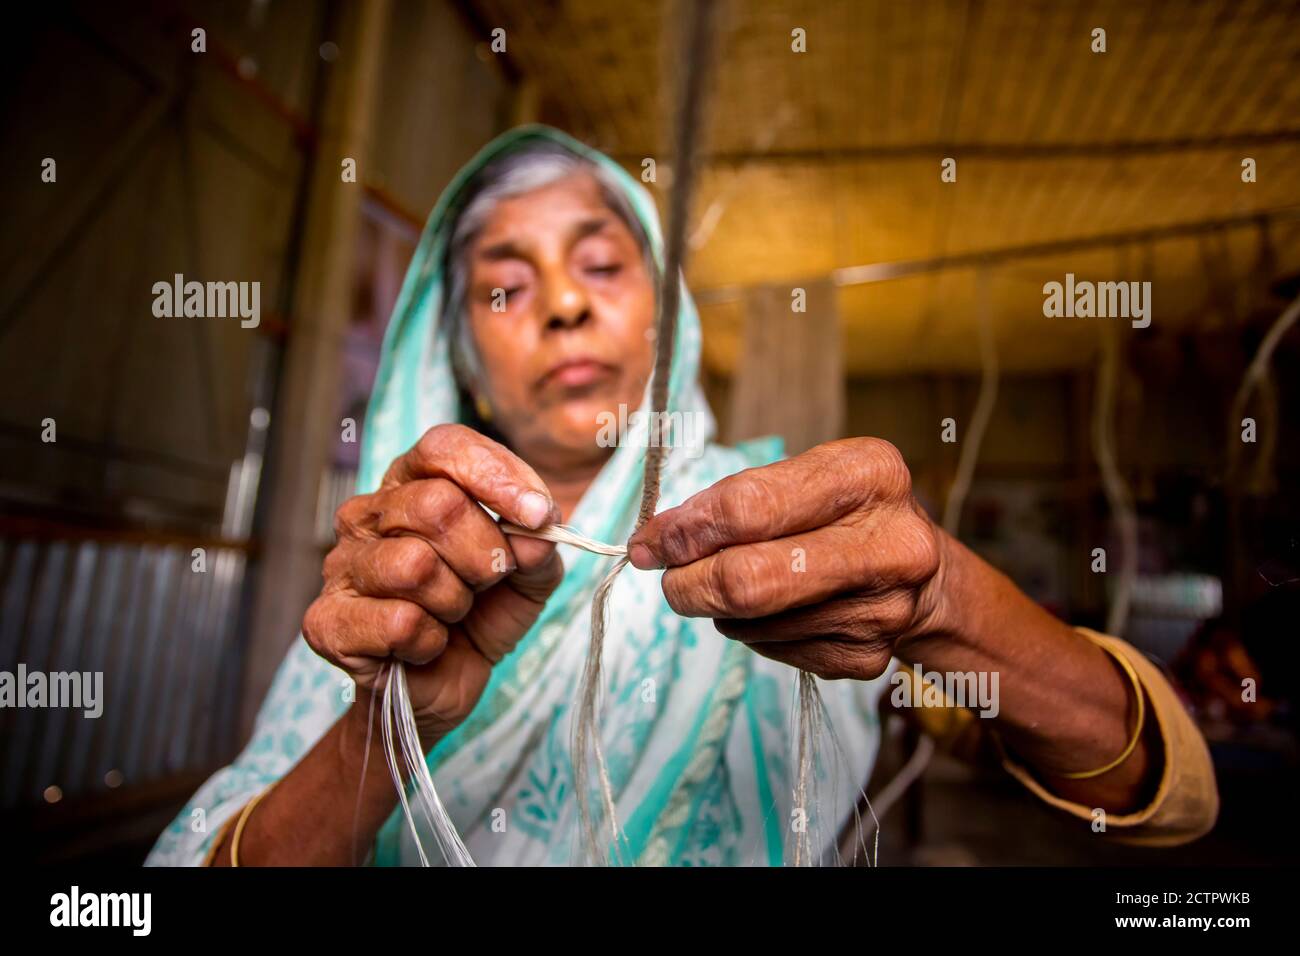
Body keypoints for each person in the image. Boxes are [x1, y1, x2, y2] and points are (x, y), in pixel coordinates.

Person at [147, 126, 1217, 867]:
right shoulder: (392, 593)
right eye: (506, 287)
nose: (562, 304)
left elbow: (1167, 806)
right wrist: (386, 729)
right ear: (461, 357)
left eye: (602, 266)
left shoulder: (809, 539)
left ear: (666, 317)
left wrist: (943, 600)